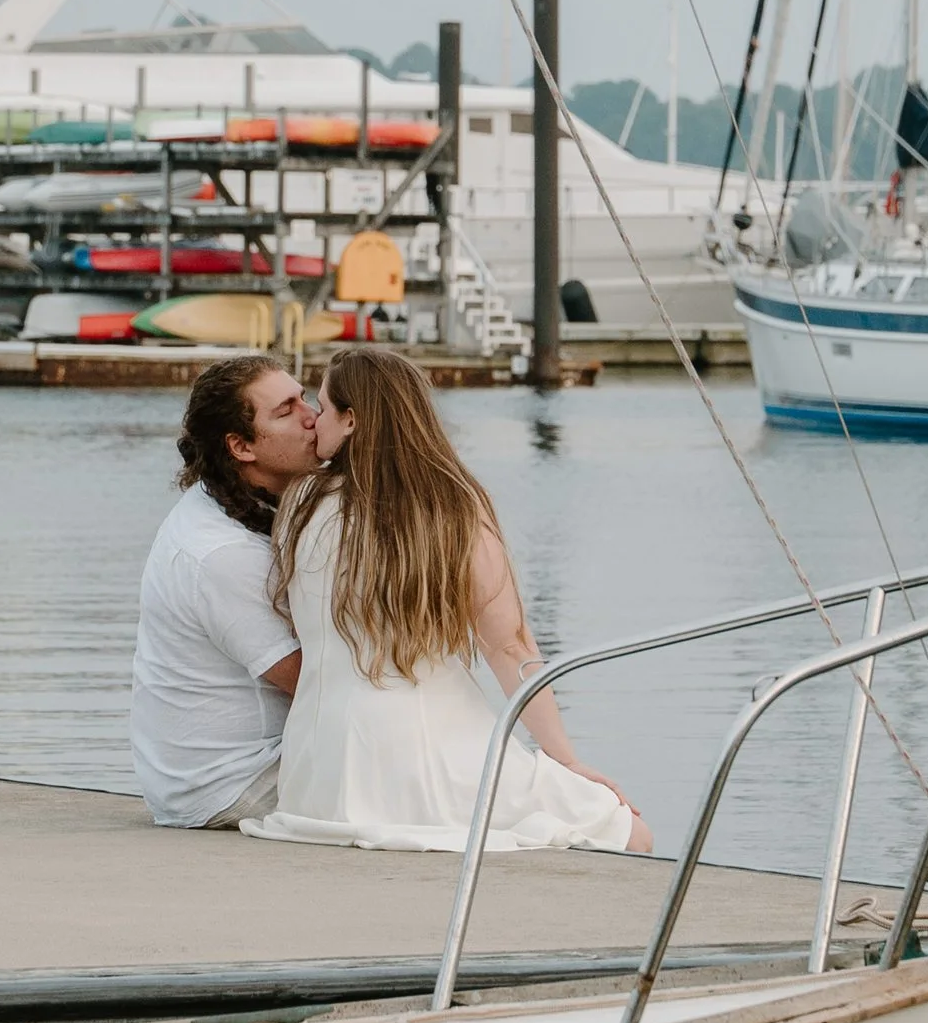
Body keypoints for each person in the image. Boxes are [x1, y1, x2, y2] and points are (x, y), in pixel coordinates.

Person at [251, 346, 652, 854]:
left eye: (323, 407)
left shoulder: (300, 507)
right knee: (630, 832)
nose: (314, 421)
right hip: (431, 752)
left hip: (318, 767)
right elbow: (509, 647)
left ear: (352, 422)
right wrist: (565, 760)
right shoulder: (452, 512)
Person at [130, 356, 317, 829]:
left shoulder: (234, 507)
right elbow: (313, 683)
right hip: (228, 785)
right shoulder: (219, 552)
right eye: (286, 410)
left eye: (304, 397)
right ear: (241, 446)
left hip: (226, 769)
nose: (311, 416)